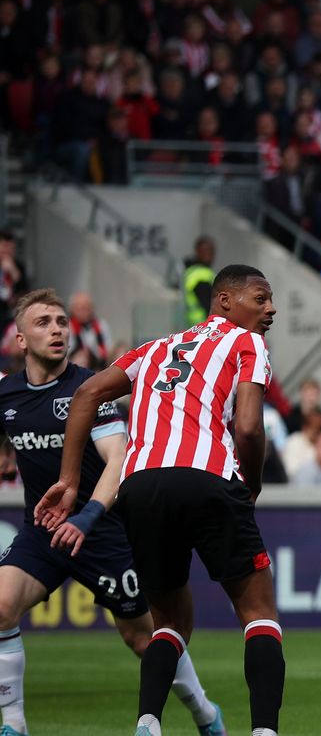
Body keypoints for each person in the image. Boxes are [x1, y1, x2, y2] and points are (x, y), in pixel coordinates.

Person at [37, 265, 284, 736]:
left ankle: (148, 723)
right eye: (261, 297)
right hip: (210, 477)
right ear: (225, 302)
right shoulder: (246, 343)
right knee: (257, 613)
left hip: (142, 486)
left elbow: (86, 393)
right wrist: (250, 485)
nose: (270, 308)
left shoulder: (153, 348)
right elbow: (249, 427)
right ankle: (264, 731)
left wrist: (70, 479)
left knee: (168, 620)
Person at [0, 290, 226, 736]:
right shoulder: (6, 395)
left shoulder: (91, 390)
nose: (58, 329)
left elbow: (118, 459)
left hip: (101, 534)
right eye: (43, 322)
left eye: (62, 321)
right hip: (42, 532)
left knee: (142, 638)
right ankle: (14, 725)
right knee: (1, 605)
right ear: (20, 339)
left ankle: (205, 713)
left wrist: (88, 517)